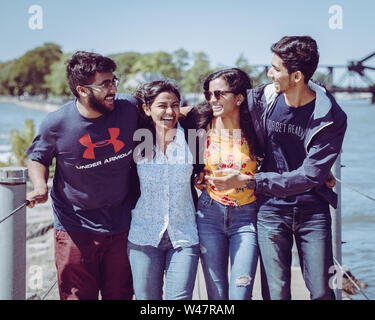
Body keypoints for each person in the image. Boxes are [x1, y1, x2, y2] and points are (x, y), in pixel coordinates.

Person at [208, 36, 347, 300]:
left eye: (275, 68)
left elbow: (309, 175)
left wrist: (250, 181)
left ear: (296, 76)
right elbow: (222, 104)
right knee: (275, 292)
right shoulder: (264, 97)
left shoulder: (332, 117)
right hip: (270, 208)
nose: (269, 73)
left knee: (322, 291)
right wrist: (176, 113)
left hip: (313, 208)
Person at [26, 51, 138, 300]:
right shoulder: (56, 123)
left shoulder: (129, 108)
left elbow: (164, 112)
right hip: (74, 228)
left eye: (113, 81)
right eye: (105, 84)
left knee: (121, 295)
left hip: (121, 226)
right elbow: (37, 158)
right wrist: (39, 186)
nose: (113, 89)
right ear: (83, 90)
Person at [127, 80, 203, 300]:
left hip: (184, 234)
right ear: (147, 108)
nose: (170, 111)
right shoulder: (136, 139)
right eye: (162, 105)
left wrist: (203, 176)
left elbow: (201, 171)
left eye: (175, 105)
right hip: (143, 235)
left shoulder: (192, 136)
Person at [193, 68, 260, 300]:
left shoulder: (256, 129)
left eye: (219, 93)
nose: (213, 99)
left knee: (241, 293)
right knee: (217, 295)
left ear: (239, 97)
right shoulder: (201, 125)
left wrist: (322, 171)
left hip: (247, 216)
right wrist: (196, 175)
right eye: (209, 94)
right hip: (209, 214)